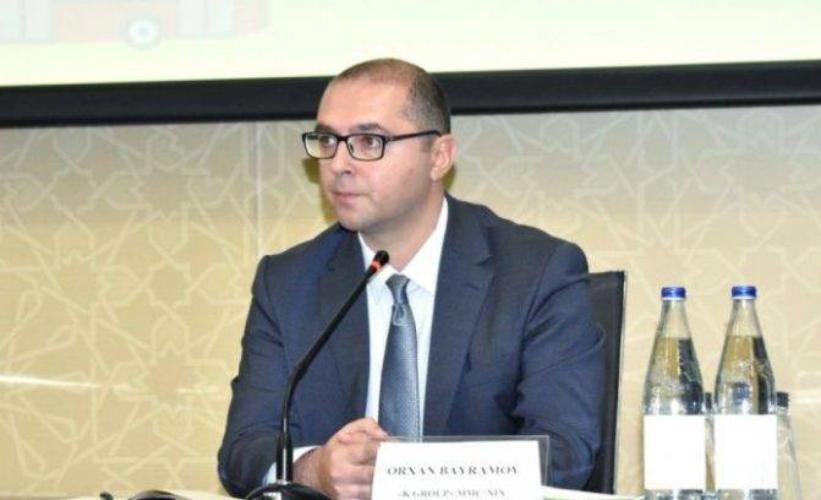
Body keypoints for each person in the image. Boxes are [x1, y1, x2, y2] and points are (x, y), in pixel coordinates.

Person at [217, 58, 605, 499]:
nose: (339, 163)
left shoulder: (537, 272)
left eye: (368, 141)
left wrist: (410, 477)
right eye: (327, 140)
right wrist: (312, 470)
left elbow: (565, 450)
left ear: (439, 156)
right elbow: (242, 451)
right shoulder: (287, 282)